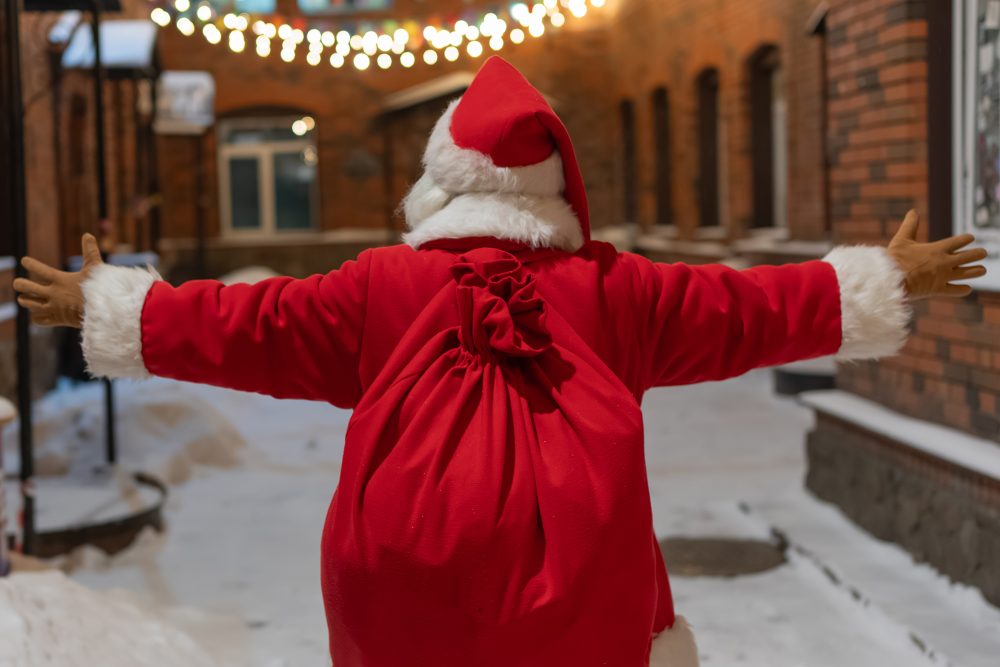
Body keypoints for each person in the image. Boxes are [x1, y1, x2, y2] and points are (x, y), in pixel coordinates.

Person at [12, 57, 988, 667]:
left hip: (398, 594)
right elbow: (748, 307)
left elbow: (247, 322)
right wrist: (878, 279)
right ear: (558, 190)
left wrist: (113, 305)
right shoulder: (614, 291)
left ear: (440, 192)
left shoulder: (377, 287)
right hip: (586, 597)